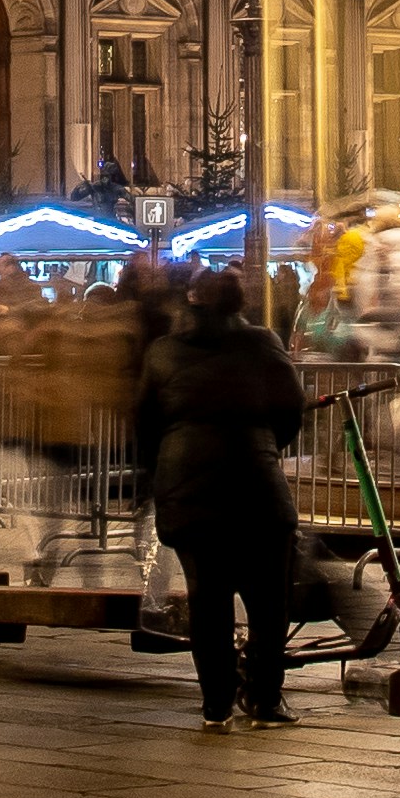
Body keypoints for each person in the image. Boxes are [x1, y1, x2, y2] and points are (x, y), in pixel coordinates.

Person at [140, 267, 310, 728]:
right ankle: (265, 699)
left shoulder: (163, 352)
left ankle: (216, 703)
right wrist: (265, 445)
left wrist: (165, 468)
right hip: (256, 484)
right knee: (267, 601)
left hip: (190, 487)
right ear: (241, 303)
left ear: (192, 300)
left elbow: (145, 423)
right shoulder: (264, 344)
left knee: (208, 599)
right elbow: (291, 411)